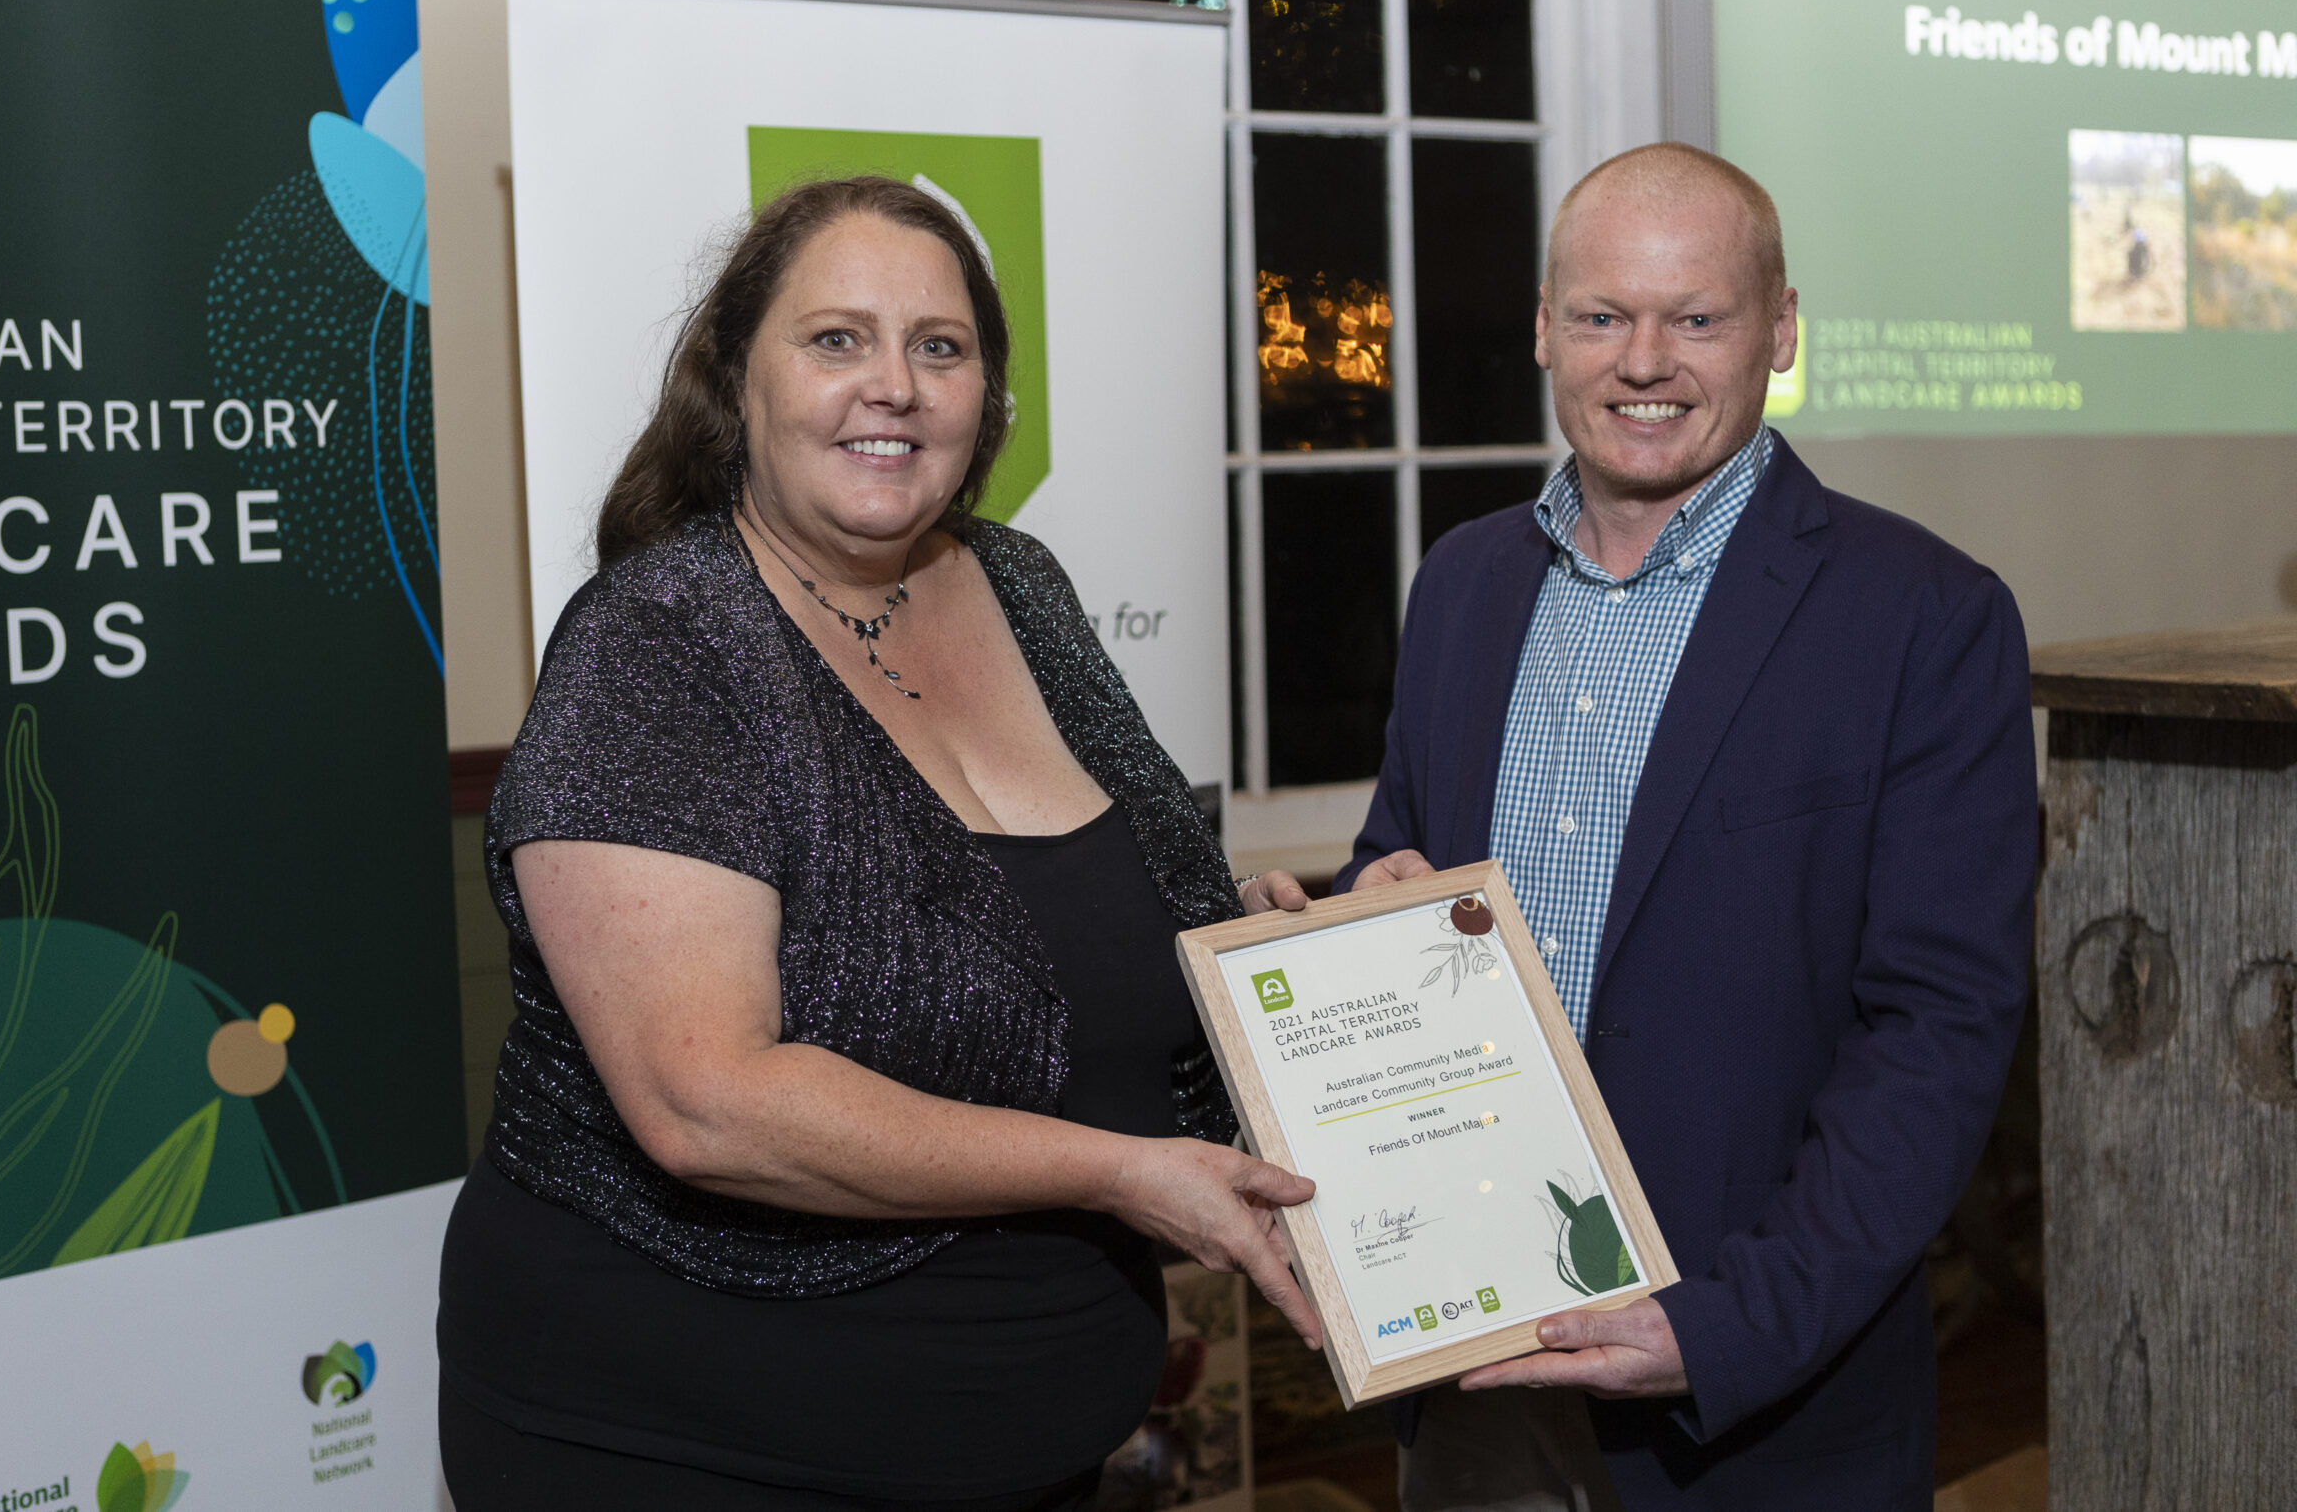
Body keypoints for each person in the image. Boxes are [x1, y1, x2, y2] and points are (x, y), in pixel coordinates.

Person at [434, 175, 1321, 1511]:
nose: (893, 385)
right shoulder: (662, 641)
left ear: (986, 394)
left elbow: (1064, 925)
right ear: (738, 380)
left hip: (1032, 1438)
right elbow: (705, 1103)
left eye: (939, 346)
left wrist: (1249, 937)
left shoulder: (1021, 585)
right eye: (836, 338)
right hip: (687, 1438)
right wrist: (1117, 1173)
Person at [1249, 143, 2036, 1508]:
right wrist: (1349, 924)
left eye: (1699, 317)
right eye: (1605, 316)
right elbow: (1409, 858)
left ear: (1781, 330)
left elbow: (1939, 1033)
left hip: (1754, 1406)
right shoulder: (1464, 586)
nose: (1645, 360)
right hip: (1473, 1378)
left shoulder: (1926, 616)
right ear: (1547, 328)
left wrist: (1721, 1329)